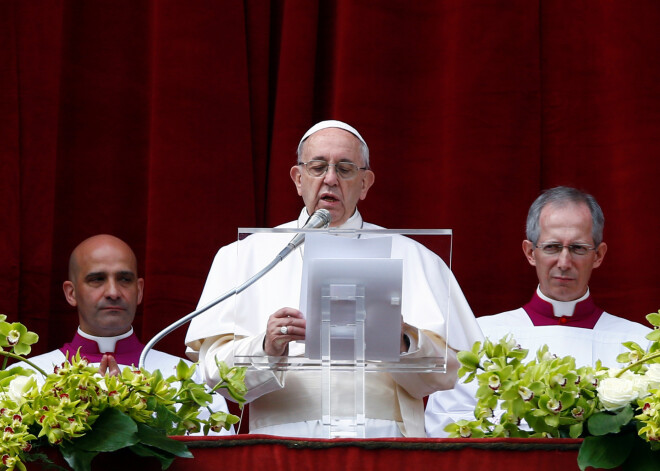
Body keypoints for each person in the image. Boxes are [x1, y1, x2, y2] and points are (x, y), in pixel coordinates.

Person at [185, 120, 483, 438]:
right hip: (282, 452)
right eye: (317, 167)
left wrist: (402, 340)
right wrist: (267, 347)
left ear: (365, 183)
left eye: (344, 168)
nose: (330, 179)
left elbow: (455, 374)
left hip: (386, 451)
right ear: (298, 179)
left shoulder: (415, 257)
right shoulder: (244, 257)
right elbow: (212, 374)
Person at [425, 186, 652, 436]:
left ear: (598, 255)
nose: (564, 263)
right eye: (552, 247)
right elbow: (447, 431)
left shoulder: (638, 345)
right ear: (530, 252)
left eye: (578, 248)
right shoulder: (478, 337)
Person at [15, 234, 233, 435]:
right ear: (71, 293)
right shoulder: (25, 377)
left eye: (124, 279)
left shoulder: (190, 382)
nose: (113, 292)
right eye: (97, 279)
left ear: (139, 291)